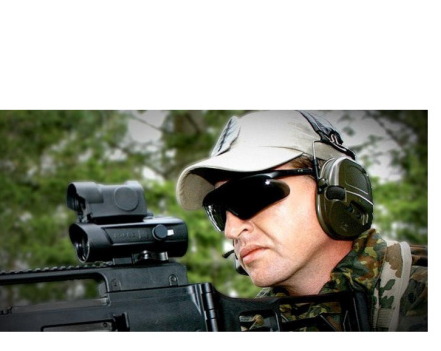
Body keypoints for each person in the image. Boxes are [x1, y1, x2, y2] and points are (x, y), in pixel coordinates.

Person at [176, 110, 428, 331]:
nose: (231, 230)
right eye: (220, 210)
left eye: (252, 195)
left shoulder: (420, 291)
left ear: (336, 188)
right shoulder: (252, 325)